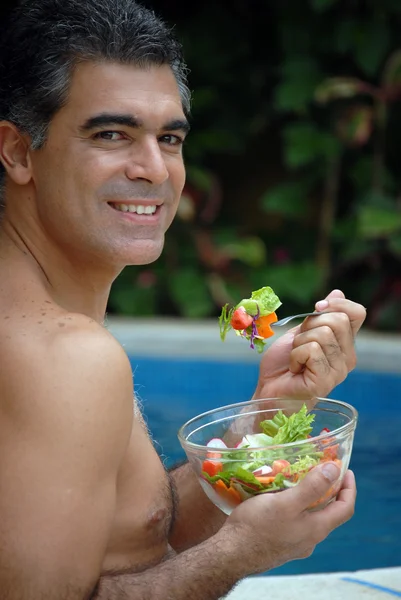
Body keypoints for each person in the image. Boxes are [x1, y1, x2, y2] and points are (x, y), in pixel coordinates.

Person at [0, 1, 366, 598]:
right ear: (18, 152)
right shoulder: (62, 357)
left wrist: (267, 415)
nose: (154, 169)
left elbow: (143, 530)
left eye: (168, 138)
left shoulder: (51, 330)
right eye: (111, 134)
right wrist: (241, 552)